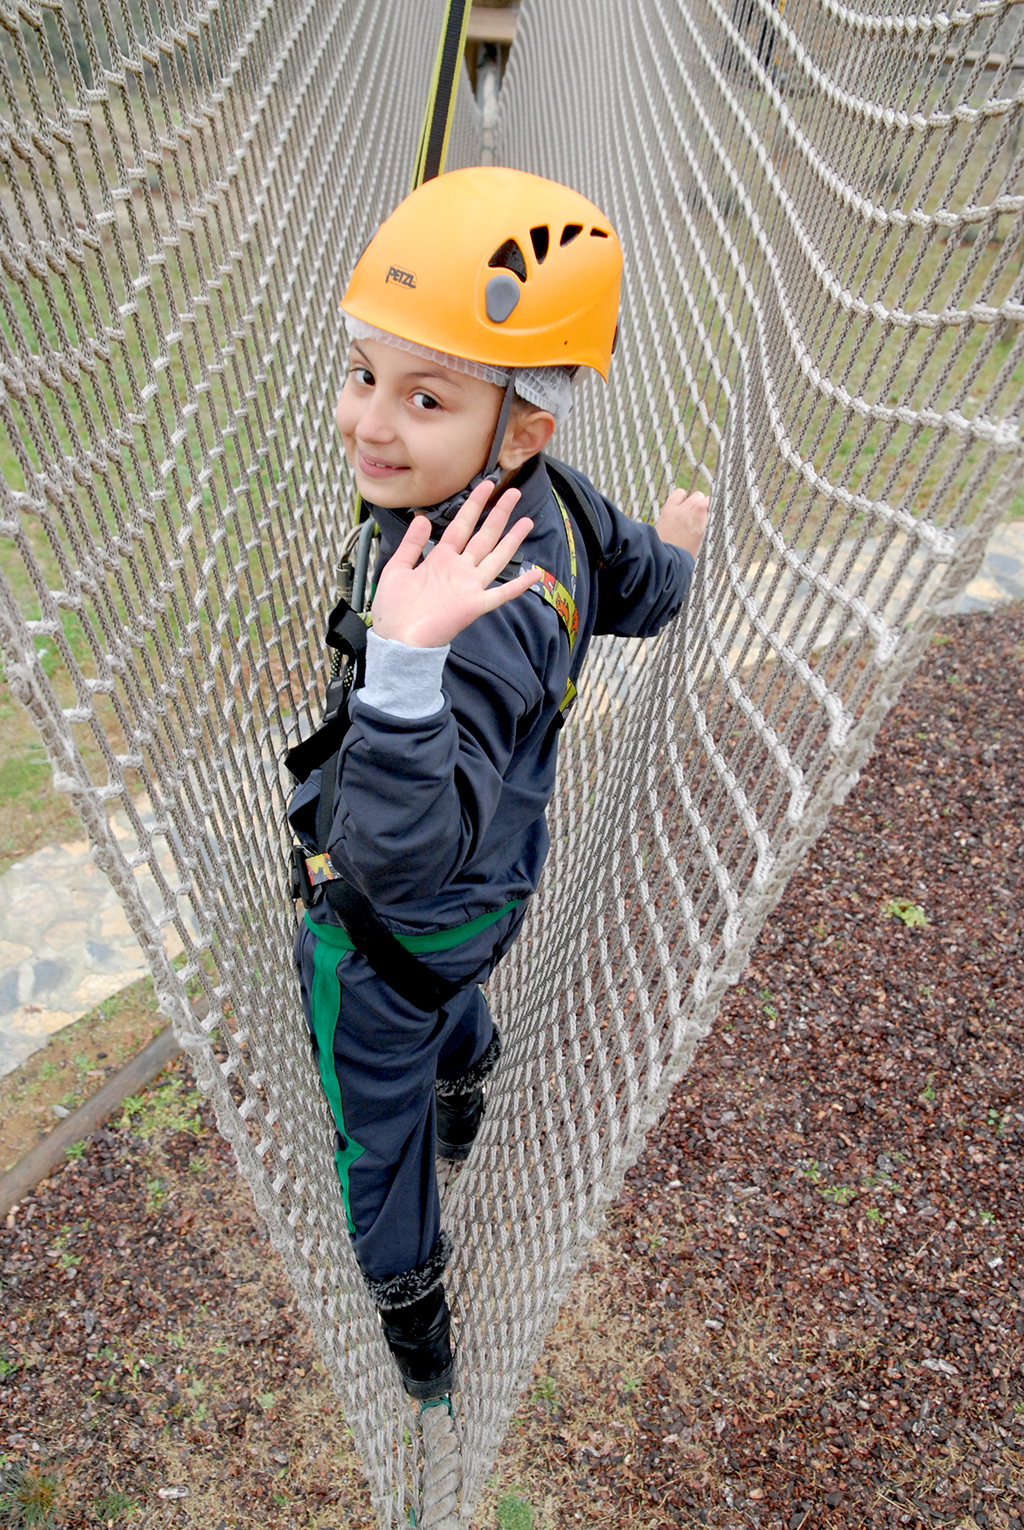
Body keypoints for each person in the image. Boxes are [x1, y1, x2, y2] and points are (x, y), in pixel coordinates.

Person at [287, 167, 708, 1401]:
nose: (372, 424)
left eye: (426, 397)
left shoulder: (463, 624)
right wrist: (676, 541)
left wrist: (405, 665)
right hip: (489, 900)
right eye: (364, 375)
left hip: (389, 926)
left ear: (519, 430)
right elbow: (644, 588)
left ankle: (413, 1327)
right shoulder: (563, 511)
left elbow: (394, 853)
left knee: (375, 1132)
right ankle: (466, 1084)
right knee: (447, 992)